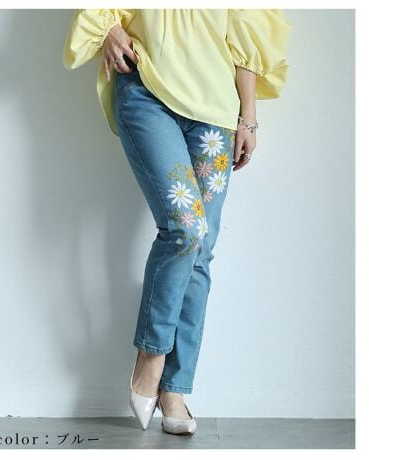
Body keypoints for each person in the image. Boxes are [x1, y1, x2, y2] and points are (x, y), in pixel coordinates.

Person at [63, 8, 291, 435]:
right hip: (147, 90)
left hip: (216, 109)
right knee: (186, 230)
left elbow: (247, 29)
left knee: (200, 249)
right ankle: (151, 355)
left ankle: (175, 389)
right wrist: (109, 29)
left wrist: (248, 115)